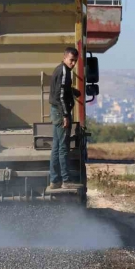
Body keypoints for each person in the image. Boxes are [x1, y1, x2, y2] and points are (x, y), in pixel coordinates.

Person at [48, 47, 81, 189]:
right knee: (63, 148)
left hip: (57, 111)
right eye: (71, 60)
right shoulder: (63, 72)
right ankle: (65, 180)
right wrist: (66, 115)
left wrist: (73, 91)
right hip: (60, 113)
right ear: (64, 58)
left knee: (56, 147)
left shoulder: (63, 70)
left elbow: (61, 89)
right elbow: (59, 96)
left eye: (75, 61)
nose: (73, 63)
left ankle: (55, 180)